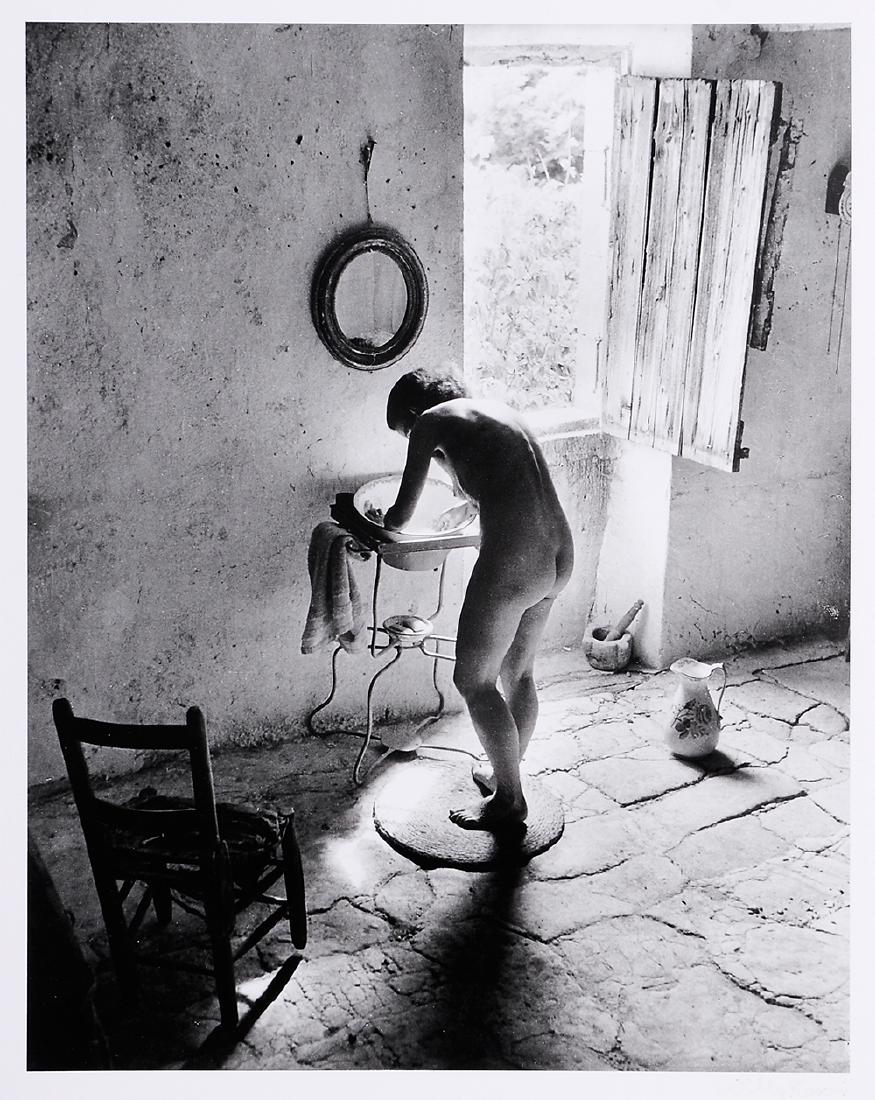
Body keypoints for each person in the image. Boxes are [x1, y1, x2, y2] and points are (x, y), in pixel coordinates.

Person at [382, 367, 574, 832]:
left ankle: (509, 800)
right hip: (558, 552)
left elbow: (401, 515)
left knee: (473, 680)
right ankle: (503, 773)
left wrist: (371, 520)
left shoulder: (429, 421)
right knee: (518, 673)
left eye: (406, 432)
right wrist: (465, 505)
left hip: (517, 560)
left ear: (415, 412)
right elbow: (507, 482)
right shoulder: (497, 413)